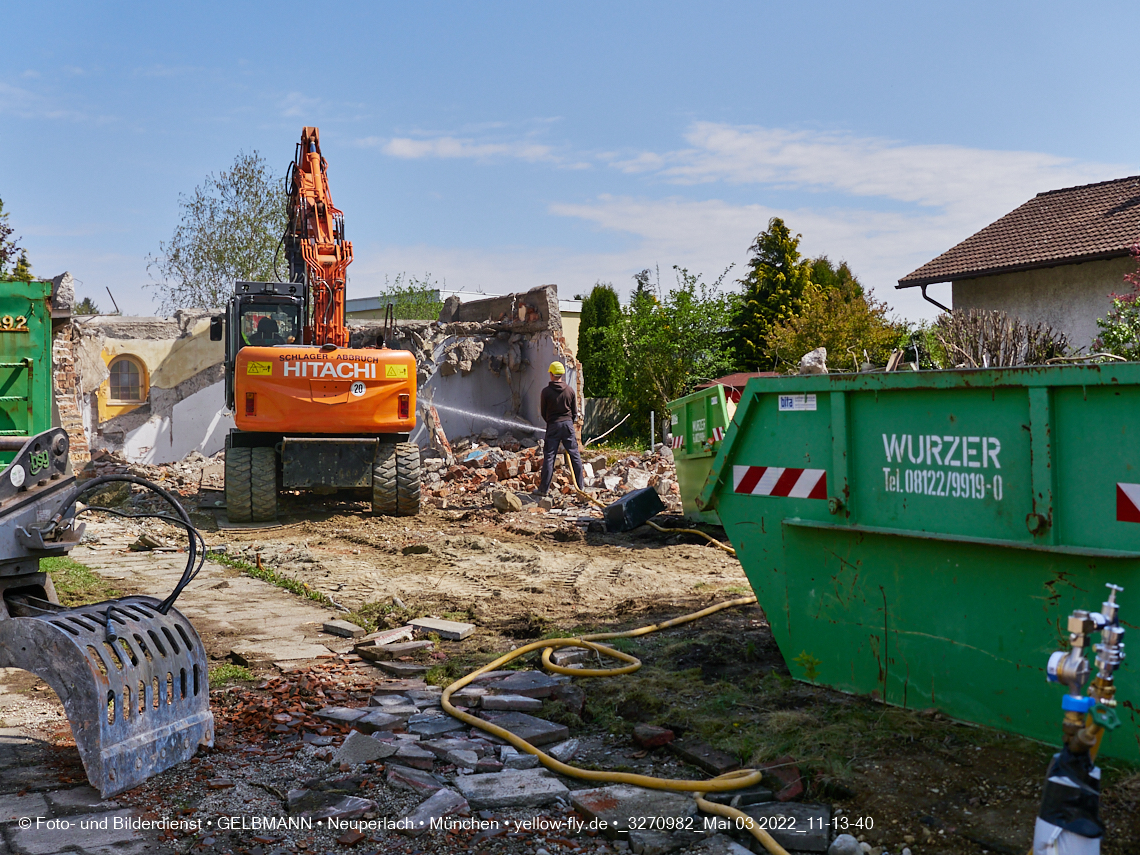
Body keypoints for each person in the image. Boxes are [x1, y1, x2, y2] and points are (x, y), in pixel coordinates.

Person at [536, 361, 585, 497]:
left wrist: (552, 423)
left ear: (551, 375)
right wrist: (569, 422)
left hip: (553, 425)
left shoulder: (545, 392)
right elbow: (575, 412)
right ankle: (581, 488)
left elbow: (543, 412)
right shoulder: (570, 391)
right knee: (575, 455)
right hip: (568, 425)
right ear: (562, 375)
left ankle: (543, 490)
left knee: (549, 456)